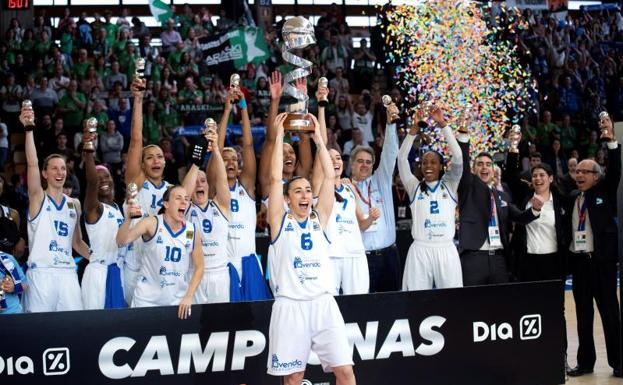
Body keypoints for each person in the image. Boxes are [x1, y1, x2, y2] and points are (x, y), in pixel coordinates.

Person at [266, 112, 355, 384]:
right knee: (293, 377)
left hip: (323, 303)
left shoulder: (321, 219)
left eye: (307, 190)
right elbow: (273, 180)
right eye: (298, 191)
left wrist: (318, 137)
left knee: (345, 371)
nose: (305, 195)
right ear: (287, 199)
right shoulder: (280, 221)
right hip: (291, 306)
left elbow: (329, 178)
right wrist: (279, 136)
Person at [122, 77, 200, 304]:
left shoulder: (172, 191)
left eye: (159, 156)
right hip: (136, 264)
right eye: (149, 157)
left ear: (165, 162)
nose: (155, 160)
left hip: (165, 267)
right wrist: (138, 100)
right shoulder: (135, 185)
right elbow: (136, 141)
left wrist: (201, 153)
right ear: (142, 164)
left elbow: (188, 187)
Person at [20, 103, 90, 312]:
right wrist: (29, 129)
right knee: (39, 333)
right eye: (54, 168)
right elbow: (32, 163)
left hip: (68, 274)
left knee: (74, 329)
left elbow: (77, 242)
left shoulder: (74, 204)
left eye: (63, 168)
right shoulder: (37, 198)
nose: (60, 172)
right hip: (41, 273)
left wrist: (100, 259)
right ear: (45, 174)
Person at [566, 113, 621, 378]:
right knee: (583, 316)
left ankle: (619, 363)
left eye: (584, 172)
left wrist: (611, 141)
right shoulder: (573, 197)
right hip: (579, 264)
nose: (579, 175)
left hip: (602, 264)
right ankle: (585, 362)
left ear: (596, 177)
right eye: (577, 171)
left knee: (610, 314)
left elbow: (616, 170)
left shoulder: (604, 192)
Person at [457, 122, 541, 286]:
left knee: (501, 307)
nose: (484, 167)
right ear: (474, 170)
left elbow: (519, 216)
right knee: (472, 307)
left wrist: (535, 210)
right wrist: (464, 140)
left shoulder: (502, 196)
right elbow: (464, 168)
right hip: (474, 259)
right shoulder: (468, 189)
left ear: (493, 170)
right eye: (479, 164)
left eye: (488, 164)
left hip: (499, 260)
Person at [312, 85, 370, 295]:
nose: (334, 161)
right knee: (330, 306)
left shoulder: (349, 188)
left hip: (355, 254)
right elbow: (322, 144)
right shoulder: (320, 186)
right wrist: (321, 105)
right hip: (330, 255)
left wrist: (370, 218)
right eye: (330, 158)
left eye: (338, 158)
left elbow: (361, 222)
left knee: (360, 305)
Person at [398, 106, 463, 290]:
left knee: (452, 300)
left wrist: (443, 124)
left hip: (446, 249)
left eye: (433, 162)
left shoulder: (450, 184)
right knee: (416, 301)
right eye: (424, 162)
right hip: (420, 249)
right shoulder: (414, 187)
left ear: (441, 167)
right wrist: (413, 130)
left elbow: (458, 157)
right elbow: (402, 160)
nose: (428, 166)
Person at [215, 85, 269, 301]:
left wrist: (244, 108)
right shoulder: (215, 190)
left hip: (248, 261)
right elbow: (216, 150)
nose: (230, 162)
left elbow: (247, 145)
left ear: (239, 167)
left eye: (234, 160)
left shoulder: (245, 187)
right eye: (225, 159)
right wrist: (227, 110)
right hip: (223, 263)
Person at [116, 185, 203, 319]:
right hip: (146, 302)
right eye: (178, 198)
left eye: (186, 199)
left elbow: (200, 267)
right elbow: (121, 241)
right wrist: (128, 218)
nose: (184, 202)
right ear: (166, 204)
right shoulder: (151, 223)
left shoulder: (192, 230)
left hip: (176, 302)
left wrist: (188, 296)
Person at [350, 96, 399, 292]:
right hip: (363, 259)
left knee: (394, 306)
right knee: (368, 309)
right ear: (351, 164)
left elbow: (390, 152)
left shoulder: (381, 180)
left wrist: (390, 124)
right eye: (360, 161)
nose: (365, 165)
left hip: (389, 257)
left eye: (369, 162)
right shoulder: (345, 190)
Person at [81, 131, 126, 310]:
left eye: (106, 176)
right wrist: (89, 153)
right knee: (96, 327)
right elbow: (92, 182)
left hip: (118, 270)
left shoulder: (118, 208)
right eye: (99, 178)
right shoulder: (94, 208)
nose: (103, 181)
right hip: (99, 274)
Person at [186, 130, 231, 304]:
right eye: (195, 181)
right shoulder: (185, 208)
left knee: (220, 322)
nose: (199, 184)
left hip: (219, 274)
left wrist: (216, 151)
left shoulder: (220, 206)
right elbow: (184, 191)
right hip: (194, 273)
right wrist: (196, 164)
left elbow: (222, 180)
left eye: (203, 181)